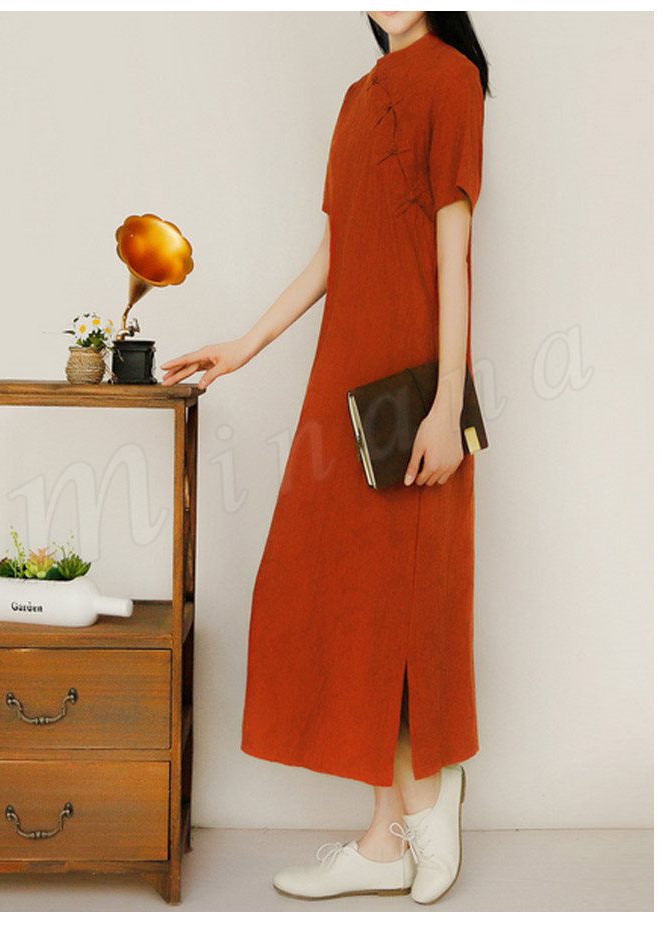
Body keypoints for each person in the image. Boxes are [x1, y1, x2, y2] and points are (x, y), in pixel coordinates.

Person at [160, 11, 489, 905]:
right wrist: (246, 344)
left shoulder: (453, 78)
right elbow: (338, 250)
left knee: (406, 598)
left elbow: (453, 246)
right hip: (344, 379)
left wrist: (447, 401)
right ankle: (389, 835)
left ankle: (422, 800)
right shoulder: (355, 98)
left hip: (414, 384)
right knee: (342, 596)